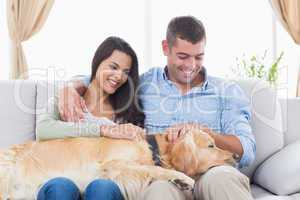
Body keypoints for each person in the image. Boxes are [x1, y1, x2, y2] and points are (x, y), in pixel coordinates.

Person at [58, 16, 256, 200]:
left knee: (221, 178)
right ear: (165, 48)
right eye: (183, 56)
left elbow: (246, 149)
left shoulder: (226, 91)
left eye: (198, 57)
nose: (191, 65)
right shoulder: (145, 84)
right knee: (158, 190)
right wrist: (69, 88)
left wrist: (205, 133)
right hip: (164, 174)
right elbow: (104, 79)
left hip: (211, 171)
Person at [36, 36, 145, 200]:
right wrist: (102, 130)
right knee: (60, 187)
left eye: (125, 72)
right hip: (63, 176)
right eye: (113, 67)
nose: (118, 76)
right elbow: (43, 130)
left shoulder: (126, 112)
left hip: (105, 182)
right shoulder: (67, 100)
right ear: (97, 63)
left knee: (101, 187)